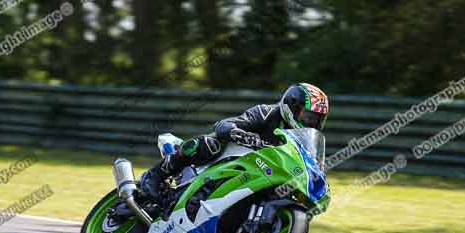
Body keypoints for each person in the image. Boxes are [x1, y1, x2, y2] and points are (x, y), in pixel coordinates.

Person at [140, 83, 329, 199]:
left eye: (316, 119)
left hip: (262, 174)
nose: (311, 122)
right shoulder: (266, 112)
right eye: (309, 116)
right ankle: (155, 174)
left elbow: (308, 162)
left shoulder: (304, 140)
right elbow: (225, 124)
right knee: (209, 144)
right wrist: (238, 133)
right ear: (292, 105)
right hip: (232, 157)